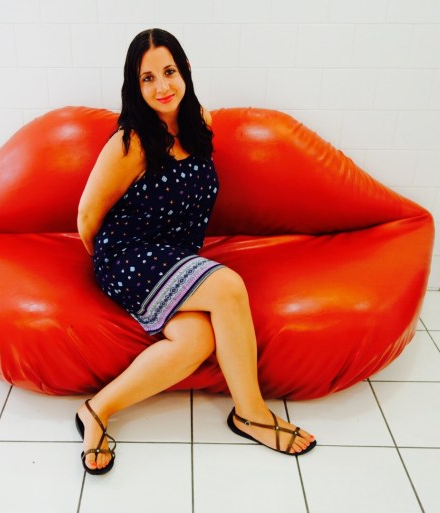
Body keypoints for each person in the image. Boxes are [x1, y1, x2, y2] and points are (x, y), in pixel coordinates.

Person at [76, 28, 316, 475]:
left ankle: (96, 410)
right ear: (135, 86)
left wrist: (176, 266)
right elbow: (87, 218)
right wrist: (115, 266)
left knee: (198, 339)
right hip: (127, 255)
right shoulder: (131, 142)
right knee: (227, 286)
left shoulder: (200, 121)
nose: (161, 87)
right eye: (147, 78)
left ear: (185, 71)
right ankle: (252, 414)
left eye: (168, 72)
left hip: (174, 257)